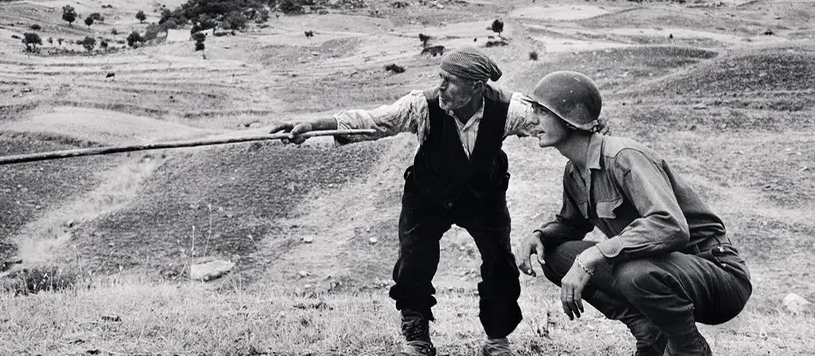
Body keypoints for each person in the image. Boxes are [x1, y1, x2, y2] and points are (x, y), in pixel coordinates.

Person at [271, 47, 539, 356]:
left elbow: (548, 122)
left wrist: (589, 128)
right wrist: (314, 126)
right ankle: (417, 339)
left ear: (477, 86)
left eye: (450, 81)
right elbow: (372, 122)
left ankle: (497, 339)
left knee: (500, 263)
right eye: (441, 78)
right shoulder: (422, 106)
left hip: (483, 197)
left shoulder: (508, 108)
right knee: (414, 262)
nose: (440, 87)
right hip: (428, 196)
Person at [514, 71, 752, 356]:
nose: (531, 120)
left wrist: (592, 256)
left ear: (569, 119)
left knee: (632, 272)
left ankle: (688, 348)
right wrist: (539, 235)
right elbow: (570, 224)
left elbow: (670, 225)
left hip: (717, 275)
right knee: (553, 255)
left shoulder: (623, 157)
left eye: (541, 112)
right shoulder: (574, 170)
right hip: (661, 273)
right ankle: (647, 331)